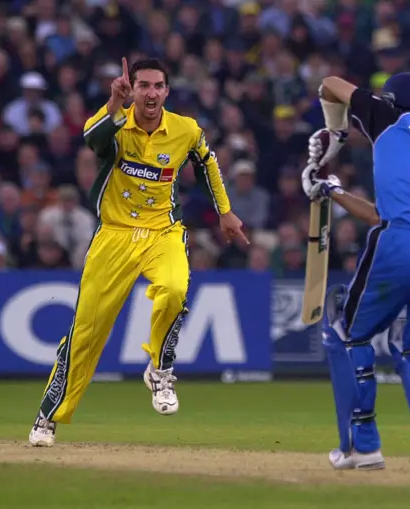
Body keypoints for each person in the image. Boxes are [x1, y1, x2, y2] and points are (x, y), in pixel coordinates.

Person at [29, 58, 248, 447]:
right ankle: (48, 415)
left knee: (175, 289)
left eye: (157, 86)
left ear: (167, 91)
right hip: (113, 235)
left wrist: (225, 211)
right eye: (143, 86)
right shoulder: (117, 122)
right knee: (85, 333)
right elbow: (91, 140)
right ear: (133, 90)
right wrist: (115, 103)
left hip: (162, 232)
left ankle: (160, 370)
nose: (150, 93)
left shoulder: (185, 129)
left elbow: (208, 162)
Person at [302, 72, 410, 471]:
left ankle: (363, 445)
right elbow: (380, 212)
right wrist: (332, 191)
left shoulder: (389, 121)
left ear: (390, 102)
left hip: (401, 242)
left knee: (345, 333)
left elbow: (329, 83)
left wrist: (336, 134)